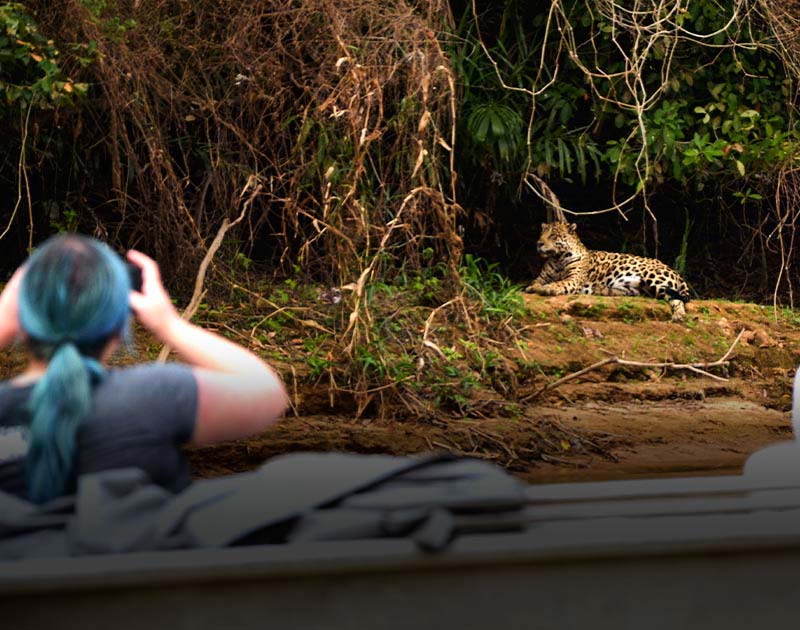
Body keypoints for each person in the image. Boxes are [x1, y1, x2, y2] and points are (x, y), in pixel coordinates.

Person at [0, 234, 289, 503]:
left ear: (22, 322)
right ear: (118, 328)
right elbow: (266, 391)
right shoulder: (156, 395)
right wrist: (169, 325)